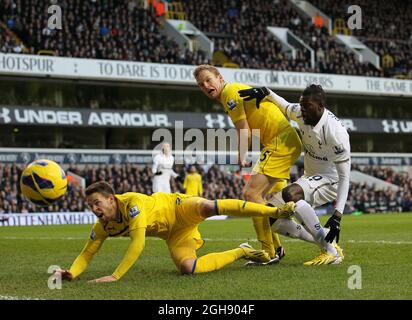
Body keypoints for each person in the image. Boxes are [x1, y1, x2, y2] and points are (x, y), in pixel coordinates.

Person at [53, 181, 296, 282]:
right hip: (174, 234)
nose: (94, 209)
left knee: (207, 206)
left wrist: (115, 276)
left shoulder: (132, 204)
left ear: (111, 199)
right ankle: (241, 251)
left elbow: (137, 244)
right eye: (90, 206)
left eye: (97, 203)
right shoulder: (104, 225)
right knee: (188, 268)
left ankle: (273, 212)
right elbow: (88, 252)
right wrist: (72, 273)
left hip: (178, 208)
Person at [194, 65, 302, 265]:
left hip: (280, 141)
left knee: (251, 195)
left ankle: (268, 251)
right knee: (269, 200)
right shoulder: (230, 93)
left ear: (219, 77)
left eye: (209, 80)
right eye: (201, 84)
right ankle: (277, 248)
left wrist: (240, 155)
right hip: (280, 142)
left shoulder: (229, 93)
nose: (206, 85)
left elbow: (244, 130)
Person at [238, 84, 349, 265]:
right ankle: (326, 241)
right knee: (272, 214)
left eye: (307, 107)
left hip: (331, 181)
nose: (302, 111)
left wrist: (337, 216)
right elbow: (284, 105)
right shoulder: (300, 112)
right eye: (301, 105)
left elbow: (344, 178)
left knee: (292, 194)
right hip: (310, 177)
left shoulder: (336, 133)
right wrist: (266, 91)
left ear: (321, 107)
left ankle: (331, 252)